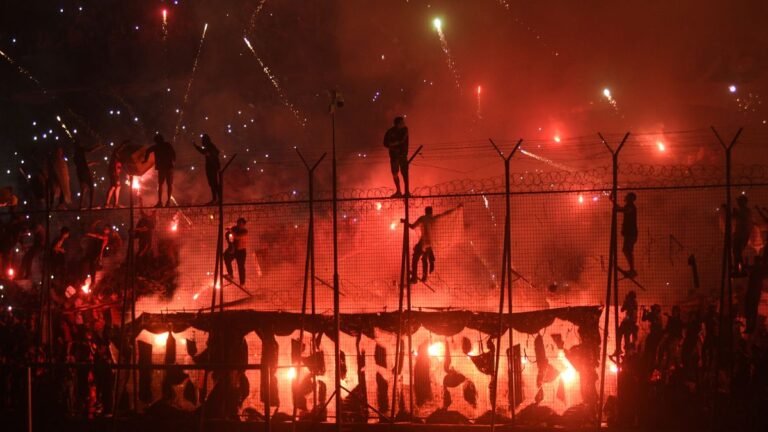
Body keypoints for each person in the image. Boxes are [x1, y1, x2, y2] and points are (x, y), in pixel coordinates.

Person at [406, 205, 461, 283]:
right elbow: (445, 214)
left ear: (425, 212)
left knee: (415, 259)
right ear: (431, 212)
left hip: (423, 241)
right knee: (424, 258)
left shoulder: (422, 218)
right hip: (431, 242)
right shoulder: (434, 219)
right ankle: (425, 277)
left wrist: (405, 222)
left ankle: (414, 278)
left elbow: (412, 226)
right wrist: (456, 208)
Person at [143, 133, 176, 207]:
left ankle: (161, 202)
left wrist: (145, 160)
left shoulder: (157, 146)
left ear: (157, 141)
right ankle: (167, 202)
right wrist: (173, 162)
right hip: (169, 166)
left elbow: (148, 150)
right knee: (168, 184)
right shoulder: (167, 145)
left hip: (163, 167)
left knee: (161, 184)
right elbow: (174, 154)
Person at [383, 117, 409, 197]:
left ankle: (407, 192)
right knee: (395, 173)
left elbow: (402, 140)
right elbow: (385, 143)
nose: (403, 124)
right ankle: (399, 191)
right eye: (401, 122)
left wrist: (392, 144)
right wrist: (395, 144)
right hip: (394, 156)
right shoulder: (390, 132)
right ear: (397, 124)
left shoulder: (404, 130)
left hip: (402, 155)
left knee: (404, 173)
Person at [193, 134, 221, 205]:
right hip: (211, 167)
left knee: (214, 183)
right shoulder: (209, 146)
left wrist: (196, 146)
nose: (202, 142)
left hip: (212, 167)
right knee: (213, 183)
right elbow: (205, 152)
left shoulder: (210, 146)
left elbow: (214, 153)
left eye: (203, 140)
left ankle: (217, 199)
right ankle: (216, 199)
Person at [616, 192, 638, 278]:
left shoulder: (631, 206)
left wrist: (617, 209)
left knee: (627, 250)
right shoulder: (628, 206)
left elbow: (624, 211)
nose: (626, 197)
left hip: (631, 233)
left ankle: (632, 270)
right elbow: (622, 209)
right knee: (627, 250)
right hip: (629, 233)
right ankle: (632, 270)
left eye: (628, 197)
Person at [72, 141, 99, 210]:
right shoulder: (80, 150)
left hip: (80, 173)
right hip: (85, 172)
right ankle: (90, 205)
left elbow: (81, 165)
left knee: (84, 189)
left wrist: (92, 163)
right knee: (91, 188)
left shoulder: (75, 157)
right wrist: (97, 146)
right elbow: (90, 150)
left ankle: (81, 206)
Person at [224, 218, 248, 285]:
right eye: (238, 223)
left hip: (241, 251)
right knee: (226, 257)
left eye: (241, 224)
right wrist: (230, 244)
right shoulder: (234, 229)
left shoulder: (244, 231)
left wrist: (231, 230)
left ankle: (242, 283)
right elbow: (228, 234)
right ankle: (230, 274)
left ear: (244, 225)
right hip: (234, 250)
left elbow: (237, 237)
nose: (239, 225)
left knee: (241, 266)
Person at [732, 195, 752, 275]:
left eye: (739, 201)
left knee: (738, 252)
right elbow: (733, 218)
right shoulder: (740, 210)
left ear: (744, 202)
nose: (738, 203)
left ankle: (741, 268)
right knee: (736, 252)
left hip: (742, 235)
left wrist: (737, 214)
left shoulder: (747, 211)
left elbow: (745, 220)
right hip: (738, 234)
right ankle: (738, 268)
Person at [104, 140, 127, 209]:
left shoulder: (119, 156)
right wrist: (123, 143)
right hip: (114, 172)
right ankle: (110, 203)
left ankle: (112, 203)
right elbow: (117, 149)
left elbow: (121, 165)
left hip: (115, 173)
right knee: (115, 186)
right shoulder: (116, 153)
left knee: (115, 187)